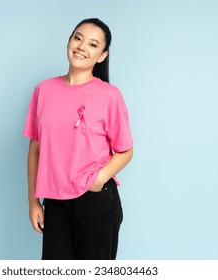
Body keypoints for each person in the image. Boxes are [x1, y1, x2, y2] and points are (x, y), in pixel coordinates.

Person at [23, 18, 133, 260]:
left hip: (96, 200)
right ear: (68, 42)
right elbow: (35, 149)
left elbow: (125, 150)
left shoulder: (109, 95)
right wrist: (33, 201)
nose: (82, 47)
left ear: (102, 56)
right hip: (55, 202)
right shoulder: (43, 90)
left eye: (93, 45)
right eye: (78, 38)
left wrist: (100, 177)